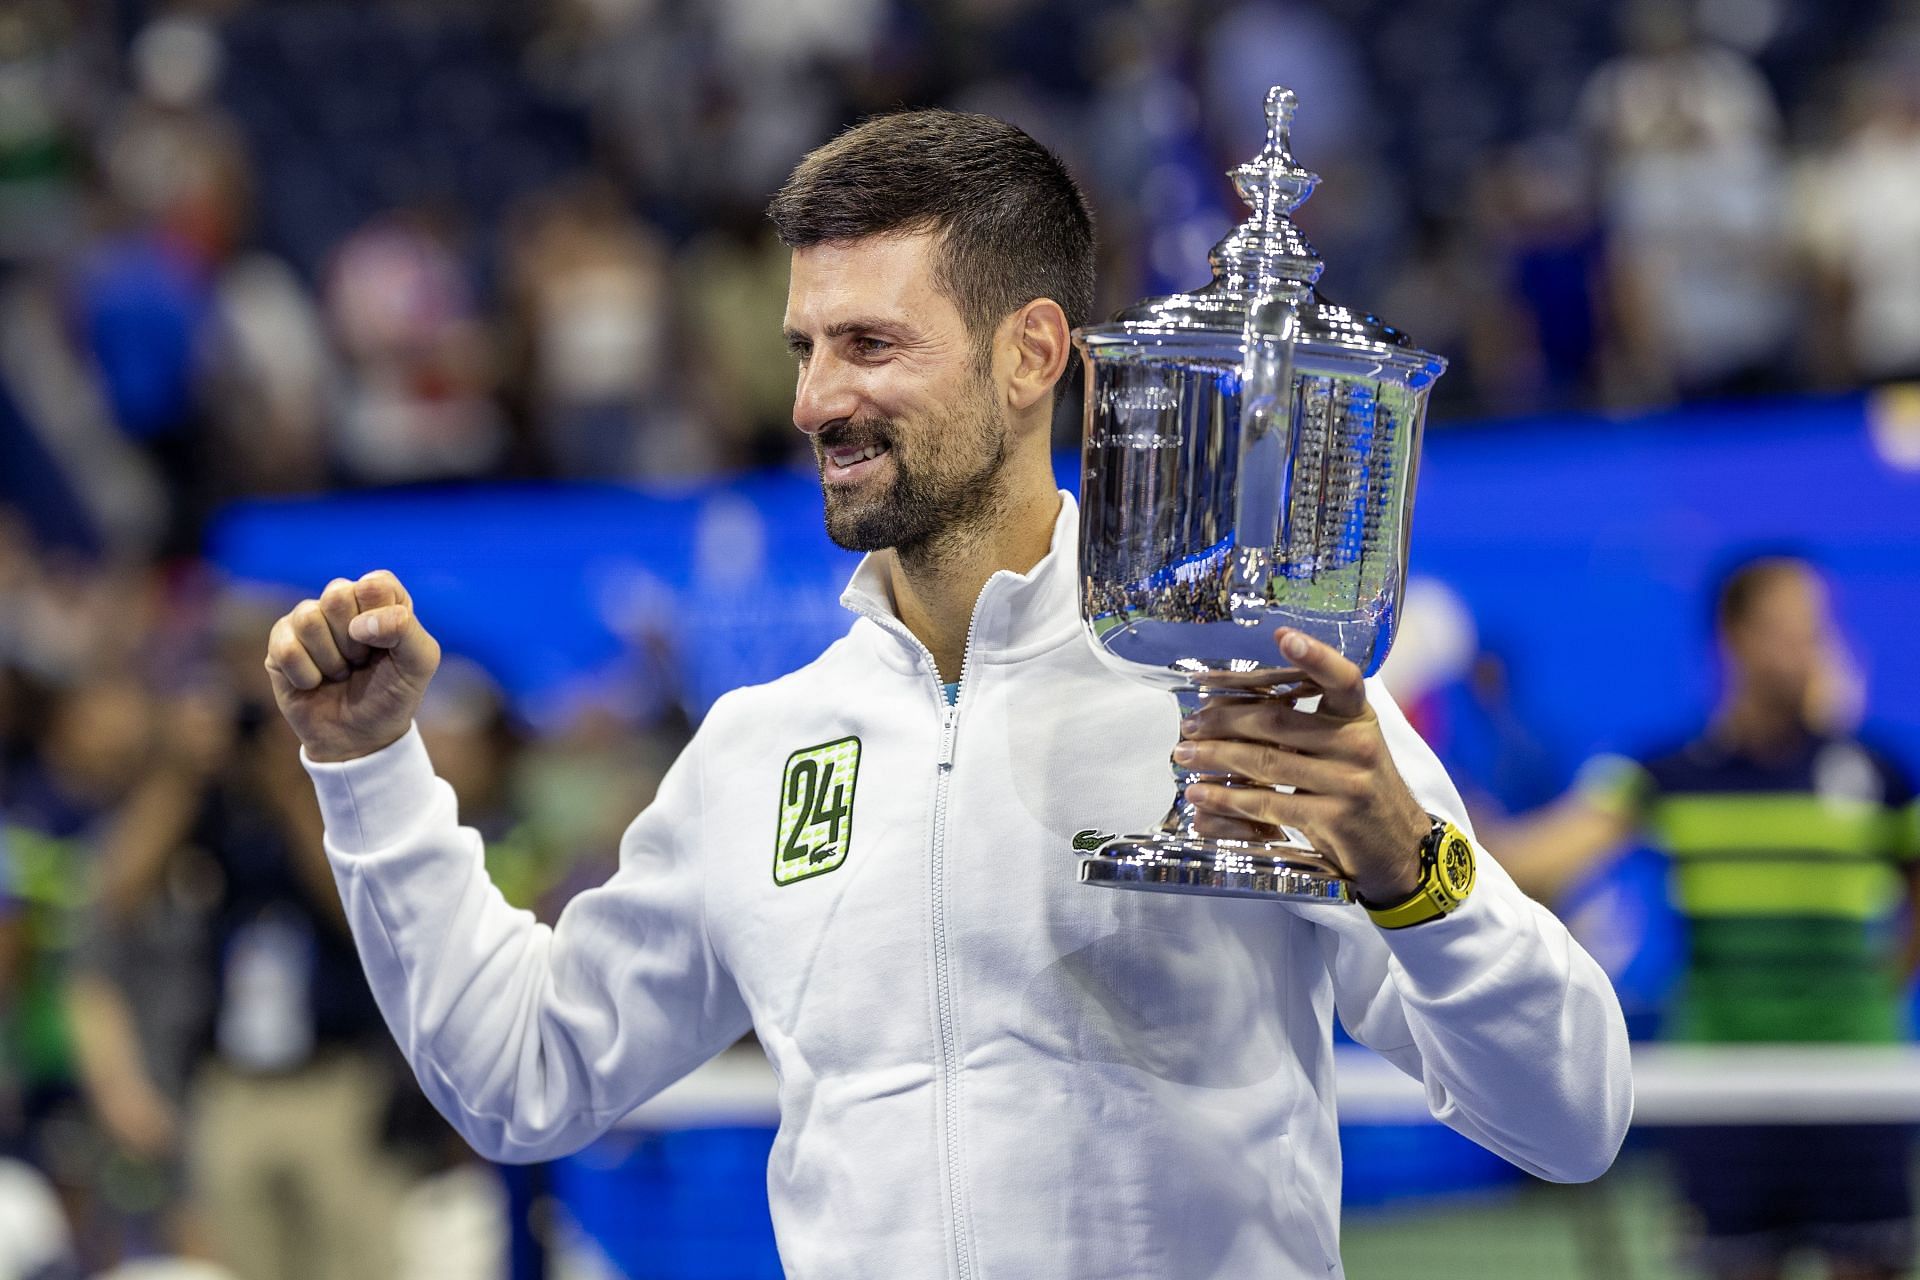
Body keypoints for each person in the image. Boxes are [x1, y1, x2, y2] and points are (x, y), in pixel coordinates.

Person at [262, 108, 1631, 1278]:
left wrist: (1421, 880)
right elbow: (521, 1080)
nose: (814, 401)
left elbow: (1573, 1117)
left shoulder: (1250, 700)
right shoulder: (763, 745)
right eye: (805, 347)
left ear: (1033, 354)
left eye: (869, 344)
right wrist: (372, 770)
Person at [1496, 554, 1920, 1280]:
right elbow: (1541, 859)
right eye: (1787, 628)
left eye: (1815, 629)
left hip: (1857, 1082)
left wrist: (1878, 989)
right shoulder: (1669, 773)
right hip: (1721, 1087)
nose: (1808, 646)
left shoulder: (1876, 772)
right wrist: (1431, 830)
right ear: (1735, 638)